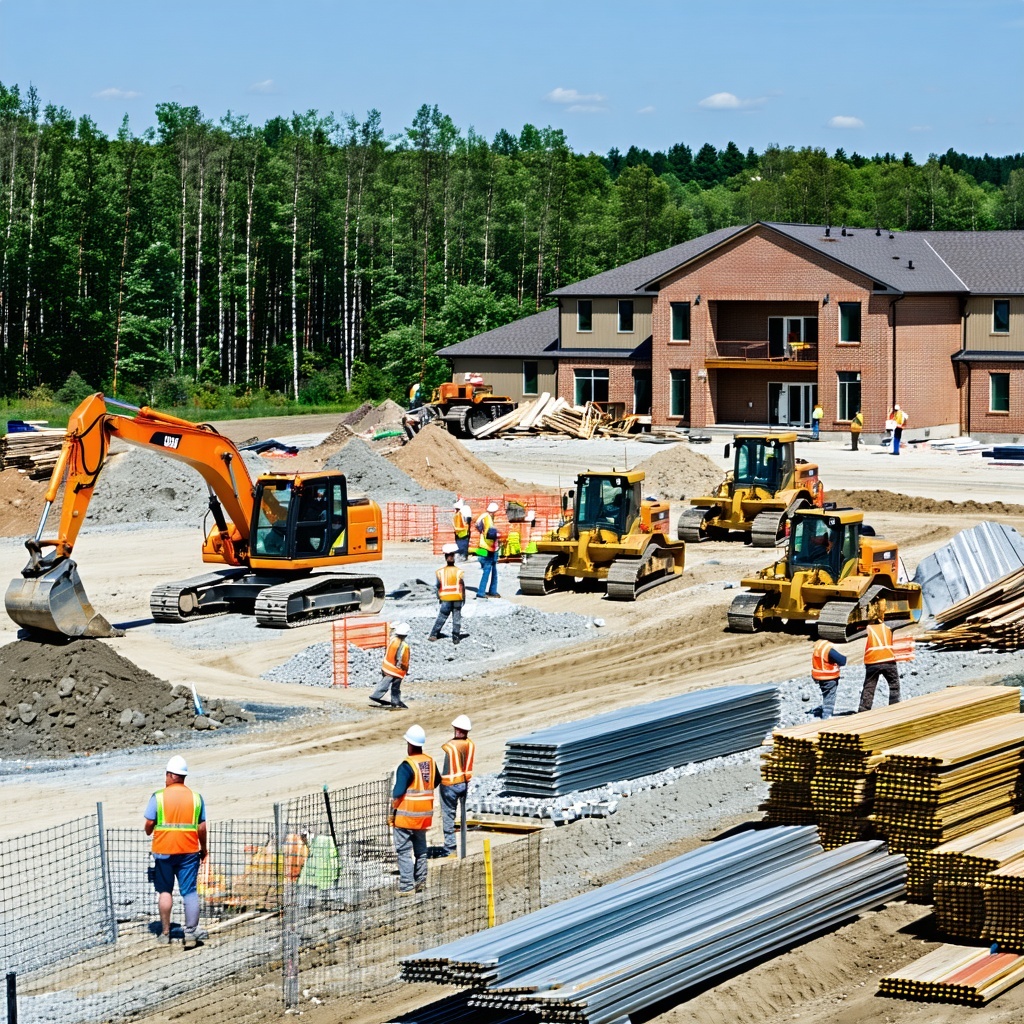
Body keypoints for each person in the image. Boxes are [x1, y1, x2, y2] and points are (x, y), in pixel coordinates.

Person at [144, 755, 208, 948]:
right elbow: (202, 828)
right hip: (189, 851)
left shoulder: (159, 797)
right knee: (189, 891)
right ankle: (190, 933)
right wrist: (204, 850)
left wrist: (150, 831)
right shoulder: (196, 798)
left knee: (165, 890)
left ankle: (165, 933)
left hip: (163, 852)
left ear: (171, 775)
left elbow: (148, 824)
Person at [389, 724, 439, 893]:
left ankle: (407, 886)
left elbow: (398, 791)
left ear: (409, 744)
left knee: (404, 852)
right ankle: (421, 882)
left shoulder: (407, 765)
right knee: (421, 852)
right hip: (424, 817)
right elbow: (436, 781)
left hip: (405, 817)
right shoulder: (430, 762)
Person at [440, 715, 476, 858]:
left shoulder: (451, 746)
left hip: (449, 785)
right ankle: (463, 849)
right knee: (461, 816)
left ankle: (450, 849)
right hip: (464, 784)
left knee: (448, 816)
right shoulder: (470, 744)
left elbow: (446, 767)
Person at [858, 604, 900, 712]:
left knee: (869, 687)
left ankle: (864, 710)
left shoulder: (868, 628)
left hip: (872, 662)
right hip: (888, 661)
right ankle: (894, 707)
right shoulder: (888, 627)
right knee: (894, 685)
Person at [429, 544, 465, 645]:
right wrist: (463, 599)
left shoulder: (439, 572)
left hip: (445, 598)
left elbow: (437, 586)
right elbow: (462, 586)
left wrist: (439, 597)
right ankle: (455, 637)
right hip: (457, 598)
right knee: (456, 618)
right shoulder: (459, 572)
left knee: (442, 617)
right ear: (454, 557)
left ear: (445, 557)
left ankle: (434, 634)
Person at [369, 623, 411, 709]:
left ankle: (376, 695)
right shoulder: (404, 646)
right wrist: (406, 669)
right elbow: (403, 661)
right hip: (396, 670)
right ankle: (395, 701)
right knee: (395, 686)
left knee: (385, 683)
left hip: (386, 666)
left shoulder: (392, 640)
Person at [810, 639, 847, 719]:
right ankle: (826, 716)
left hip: (819, 677)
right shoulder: (828, 649)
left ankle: (825, 712)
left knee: (826, 695)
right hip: (829, 677)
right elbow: (842, 661)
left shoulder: (818, 648)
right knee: (830, 697)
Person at [475, 501, 501, 599]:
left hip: (483, 548)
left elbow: (479, 528)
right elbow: (489, 534)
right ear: (494, 511)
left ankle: (493, 591)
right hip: (489, 549)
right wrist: (498, 535)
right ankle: (481, 592)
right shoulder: (488, 519)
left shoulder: (482, 517)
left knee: (493, 570)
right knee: (487, 571)